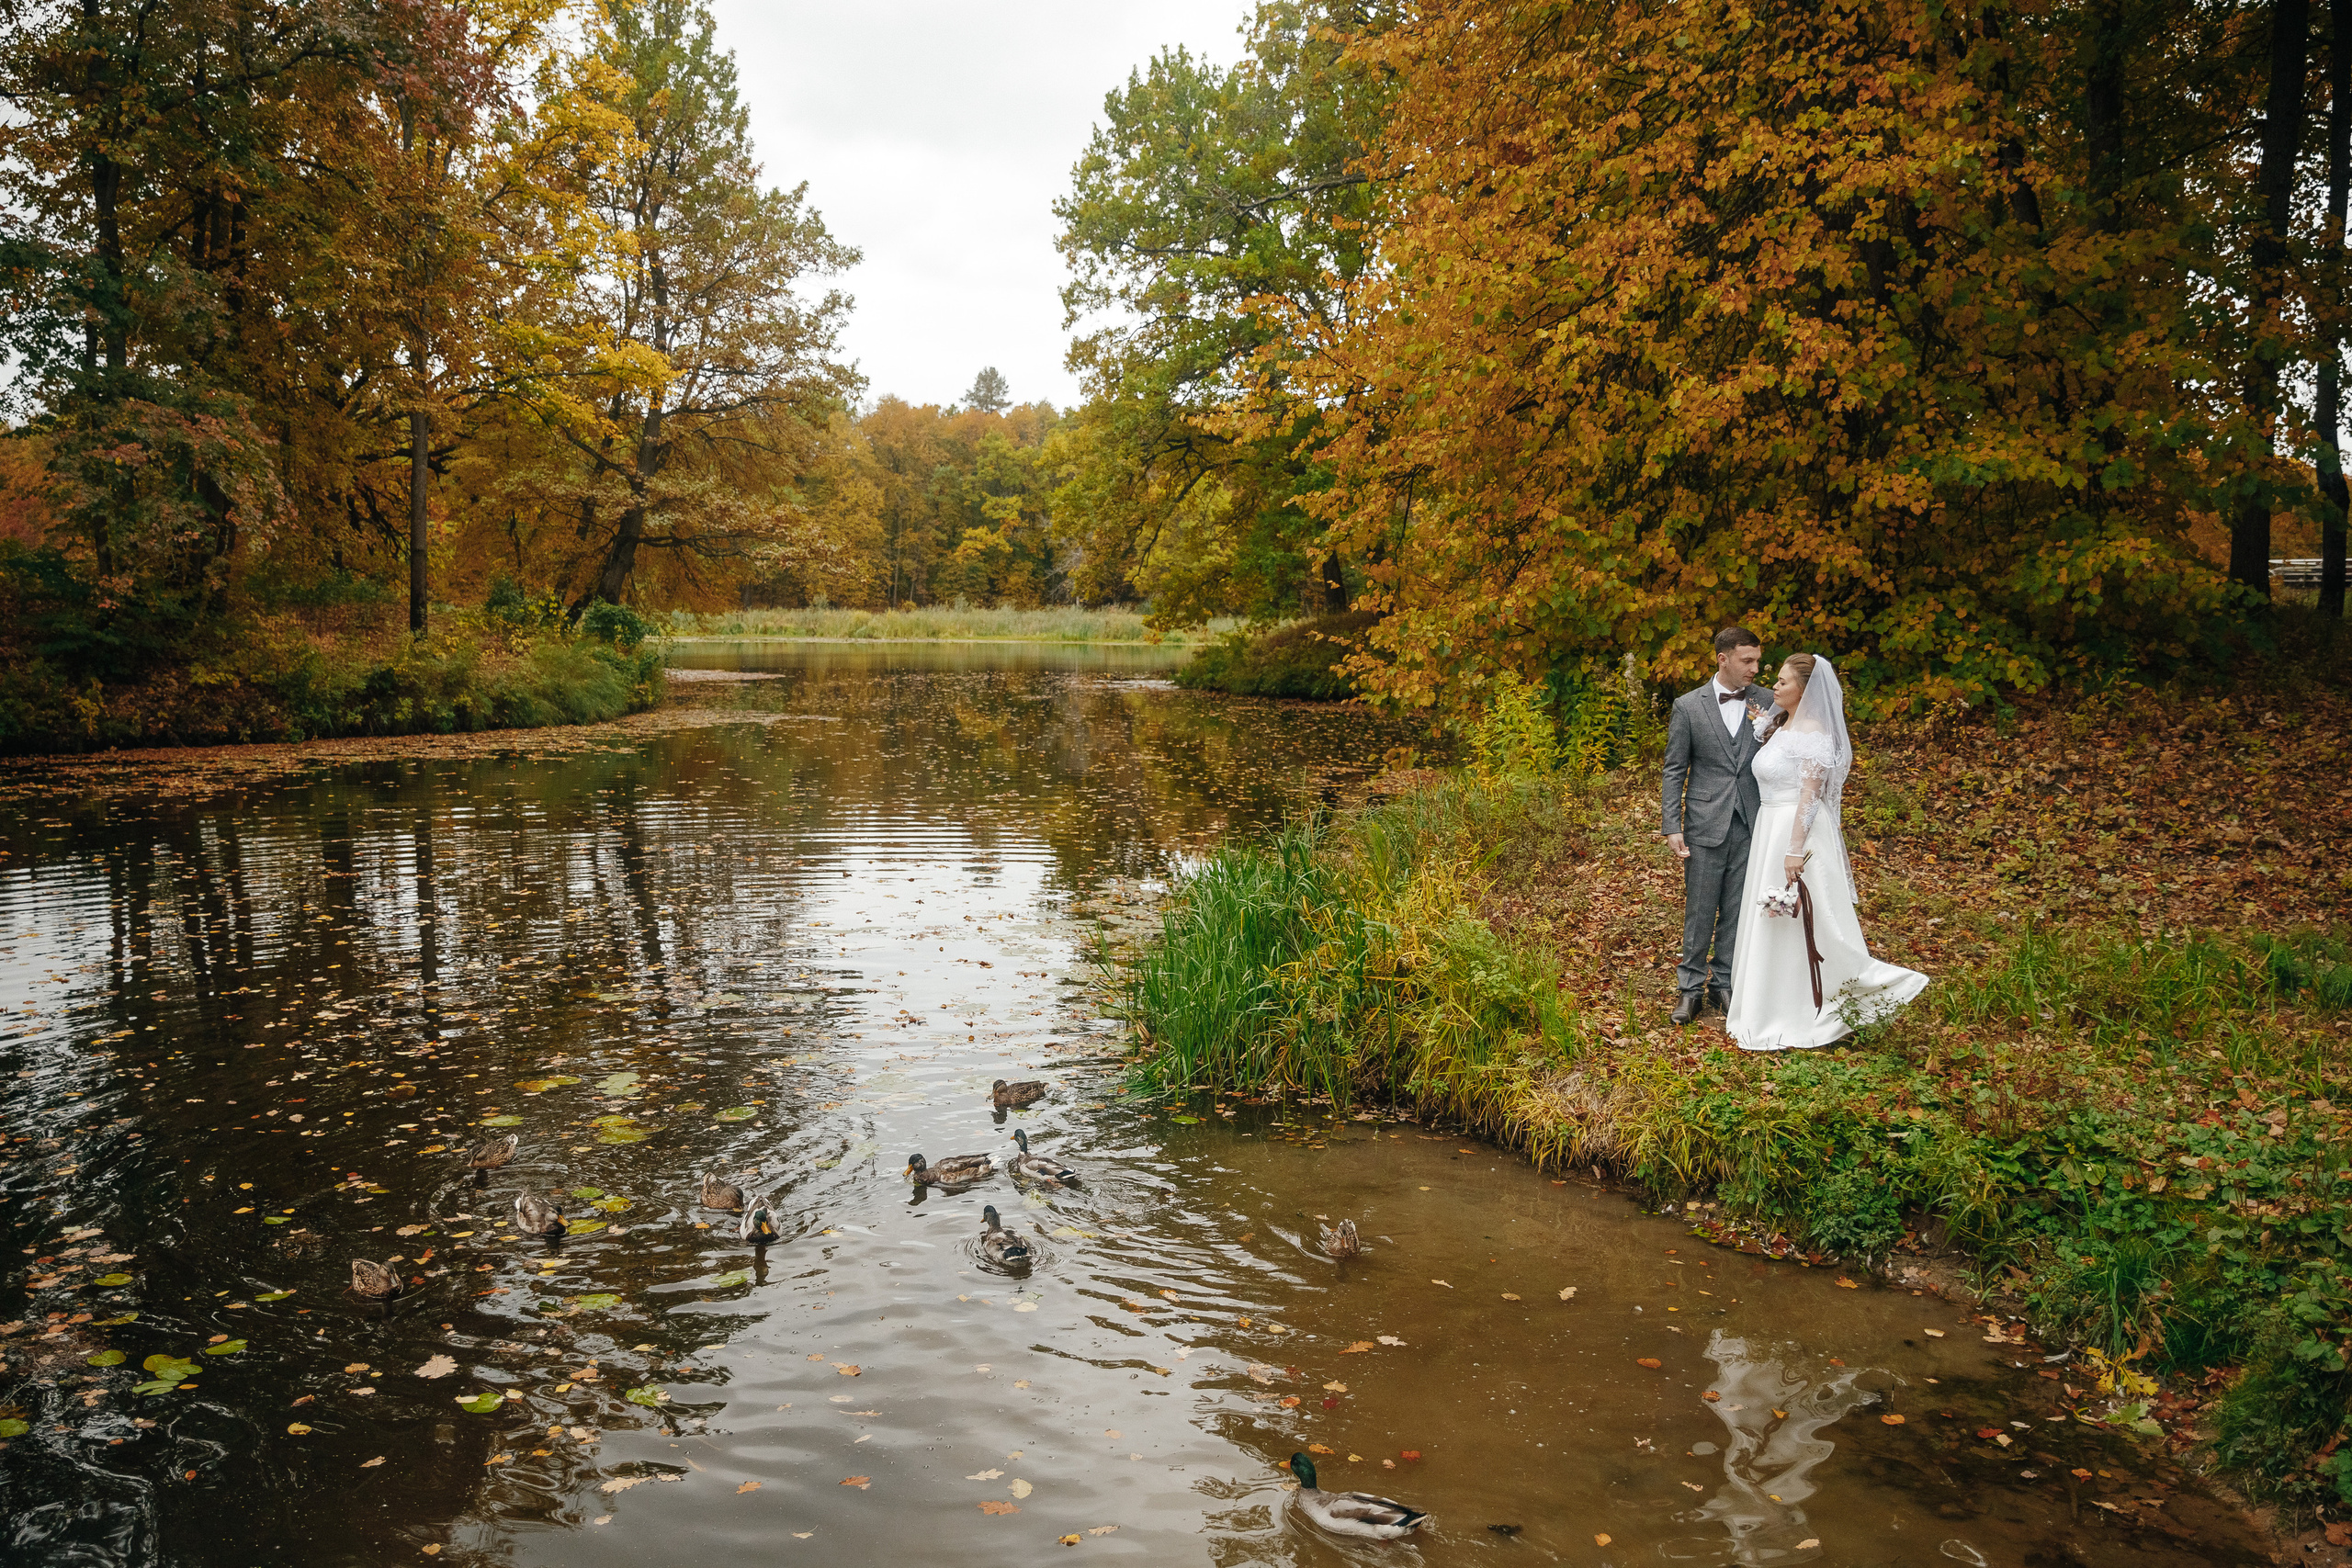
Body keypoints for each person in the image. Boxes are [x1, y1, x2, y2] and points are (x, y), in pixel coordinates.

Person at [1724, 653, 1927, 1051]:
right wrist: (1764, 722)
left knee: (1807, 920)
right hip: (1769, 827)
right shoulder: (1782, 726)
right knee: (1776, 919)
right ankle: (1769, 1003)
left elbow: (1810, 796)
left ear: (1805, 690)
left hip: (1793, 833)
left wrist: (1794, 850)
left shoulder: (1814, 732)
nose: (1774, 686)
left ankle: (1856, 990)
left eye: (1783, 682)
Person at [1660, 626, 1774, 1025]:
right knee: (1700, 908)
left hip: (1753, 820)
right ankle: (1689, 989)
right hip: (1705, 821)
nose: (1755, 668)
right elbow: (1674, 768)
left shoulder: (1767, 701)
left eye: (1757, 660)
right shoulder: (1688, 706)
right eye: (1747, 660)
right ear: (1722, 659)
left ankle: (1723, 983)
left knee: (1738, 908)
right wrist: (1672, 825)